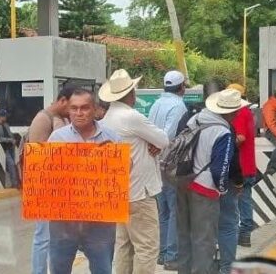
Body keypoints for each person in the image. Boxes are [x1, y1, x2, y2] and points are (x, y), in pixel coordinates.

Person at [100, 69, 170, 274]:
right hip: (139, 193)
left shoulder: (106, 119)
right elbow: (164, 139)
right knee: (146, 247)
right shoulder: (131, 117)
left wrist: (151, 143)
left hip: (119, 193)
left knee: (123, 245)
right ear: (131, 93)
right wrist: (153, 143)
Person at [47, 88, 121, 274]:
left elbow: (124, 174)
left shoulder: (112, 137)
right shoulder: (57, 139)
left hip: (100, 221)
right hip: (64, 221)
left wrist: (122, 163)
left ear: (95, 109)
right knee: (59, 269)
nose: (79, 113)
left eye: (84, 108)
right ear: (69, 110)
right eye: (74, 108)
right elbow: (46, 176)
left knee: (103, 269)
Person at [176, 89, 243, 274]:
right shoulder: (223, 132)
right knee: (204, 242)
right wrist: (221, 190)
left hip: (183, 183)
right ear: (231, 112)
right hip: (204, 190)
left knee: (185, 236)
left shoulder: (195, 119)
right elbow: (219, 169)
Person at [29, 85, 74, 274]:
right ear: (62, 100)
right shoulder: (43, 119)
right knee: (43, 236)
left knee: (57, 237)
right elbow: (38, 160)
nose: (73, 111)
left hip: (60, 188)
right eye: (71, 106)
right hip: (46, 187)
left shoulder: (61, 118)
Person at [148, 70, 188, 269]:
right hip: (171, 163)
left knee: (162, 210)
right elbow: (169, 135)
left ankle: (163, 252)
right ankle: (172, 255)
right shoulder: (178, 105)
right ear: (181, 87)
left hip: (155, 162)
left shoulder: (157, 103)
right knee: (174, 210)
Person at [216, 84, 256, 273]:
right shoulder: (247, 112)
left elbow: (240, 137)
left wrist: (221, 143)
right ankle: (245, 234)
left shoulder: (240, 114)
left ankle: (244, 234)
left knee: (236, 209)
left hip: (239, 167)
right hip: (245, 164)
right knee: (245, 201)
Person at [0, 109, 19, 188]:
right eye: (5, 116)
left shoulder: (6, 124)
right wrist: (9, 140)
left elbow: (9, 134)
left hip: (10, 147)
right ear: (0, 116)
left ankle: (13, 182)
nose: (6, 118)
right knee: (11, 164)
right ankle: (15, 183)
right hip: (2, 148)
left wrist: (13, 139)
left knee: (13, 165)